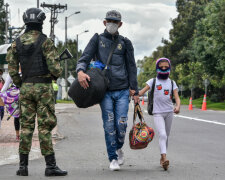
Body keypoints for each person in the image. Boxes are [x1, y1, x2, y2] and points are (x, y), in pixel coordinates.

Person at [6, 8, 67, 176]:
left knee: (26, 126)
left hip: (25, 88)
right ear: (41, 22)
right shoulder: (45, 41)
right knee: (45, 126)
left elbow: (12, 71)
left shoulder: (16, 43)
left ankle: (23, 167)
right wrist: (55, 74)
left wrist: (21, 84)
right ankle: (50, 166)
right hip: (44, 89)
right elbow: (55, 69)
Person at [76, 10, 139, 171]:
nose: (112, 24)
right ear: (104, 22)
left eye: (115, 22)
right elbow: (84, 58)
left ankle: (118, 147)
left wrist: (135, 90)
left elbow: (132, 67)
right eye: (109, 21)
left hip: (123, 90)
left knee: (122, 123)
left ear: (120, 24)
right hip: (104, 91)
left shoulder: (125, 43)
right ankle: (113, 158)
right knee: (109, 125)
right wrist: (80, 71)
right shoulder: (97, 39)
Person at [138, 57, 180, 171]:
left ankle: (162, 159)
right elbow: (141, 92)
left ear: (169, 68)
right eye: (161, 67)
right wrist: (133, 92)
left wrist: (178, 106)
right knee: (162, 134)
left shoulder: (172, 83)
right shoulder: (153, 81)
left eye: (166, 67)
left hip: (169, 113)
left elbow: (176, 97)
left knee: (166, 136)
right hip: (158, 113)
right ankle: (164, 158)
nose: (164, 69)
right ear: (157, 68)